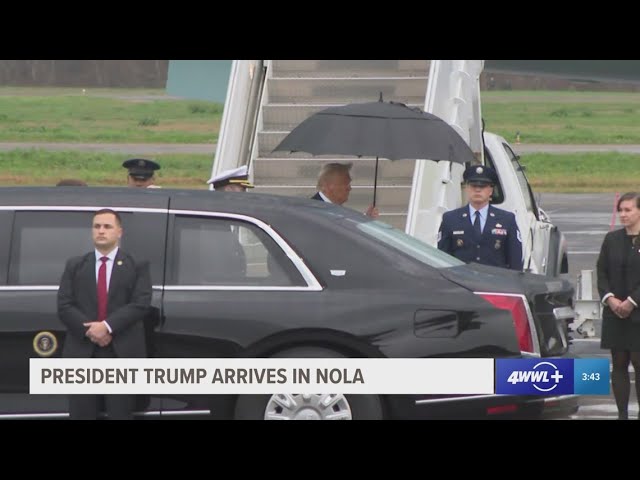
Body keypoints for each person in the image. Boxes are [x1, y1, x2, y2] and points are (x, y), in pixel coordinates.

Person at [57, 208, 152, 420]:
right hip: (83, 352)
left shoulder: (137, 265)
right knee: (82, 414)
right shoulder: (76, 265)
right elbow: (64, 305)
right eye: (97, 226)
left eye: (107, 226)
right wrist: (92, 330)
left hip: (121, 351)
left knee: (120, 414)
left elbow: (141, 303)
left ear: (119, 232)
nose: (101, 231)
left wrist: (107, 326)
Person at [596, 191, 640, 420]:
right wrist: (611, 299)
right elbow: (601, 273)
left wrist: (632, 301)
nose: (623, 214)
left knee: (638, 361)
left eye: (628, 210)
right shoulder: (611, 239)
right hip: (615, 312)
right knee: (619, 363)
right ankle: (622, 414)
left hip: (638, 313)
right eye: (620, 210)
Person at [437, 164, 522, 270]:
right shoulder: (450, 219)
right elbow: (442, 258)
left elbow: (515, 260)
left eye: (482, 186)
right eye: (473, 186)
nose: (477, 190)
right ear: (467, 188)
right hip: (461, 282)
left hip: (496, 282)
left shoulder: (507, 219)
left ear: (490, 190)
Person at [311, 162, 379, 218]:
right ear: (328, 186)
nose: (349, 188)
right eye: (345, 183)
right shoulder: (312, 211)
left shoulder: (334, 207)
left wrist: (366, 219)